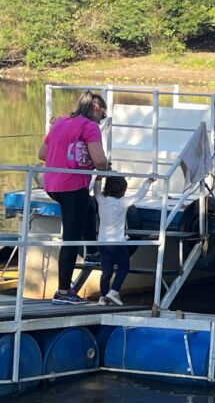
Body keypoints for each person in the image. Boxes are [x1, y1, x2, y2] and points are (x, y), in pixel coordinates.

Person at [39, 91, 109, 304]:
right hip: (72, 186)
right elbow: (99, 161)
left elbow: (42, 154)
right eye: (103, 114)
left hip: (52, 184)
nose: (102, 119)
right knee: (71, 239)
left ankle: (93, 251)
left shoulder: (60, 122)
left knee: (89, 204)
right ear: (96, 108)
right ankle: (63, 292)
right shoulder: (90, 127)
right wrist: (107, 166)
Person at [94, 174, 156, 306]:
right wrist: (148, 181)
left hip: (102, 242)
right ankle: (114, 291)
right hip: (118, 243)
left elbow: (96, 191)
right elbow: (140, 195)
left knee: (106, 271)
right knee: (124, 267)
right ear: (122, 190)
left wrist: (98, 178)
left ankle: (103, 296)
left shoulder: (101, 200)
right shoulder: (123, 202)